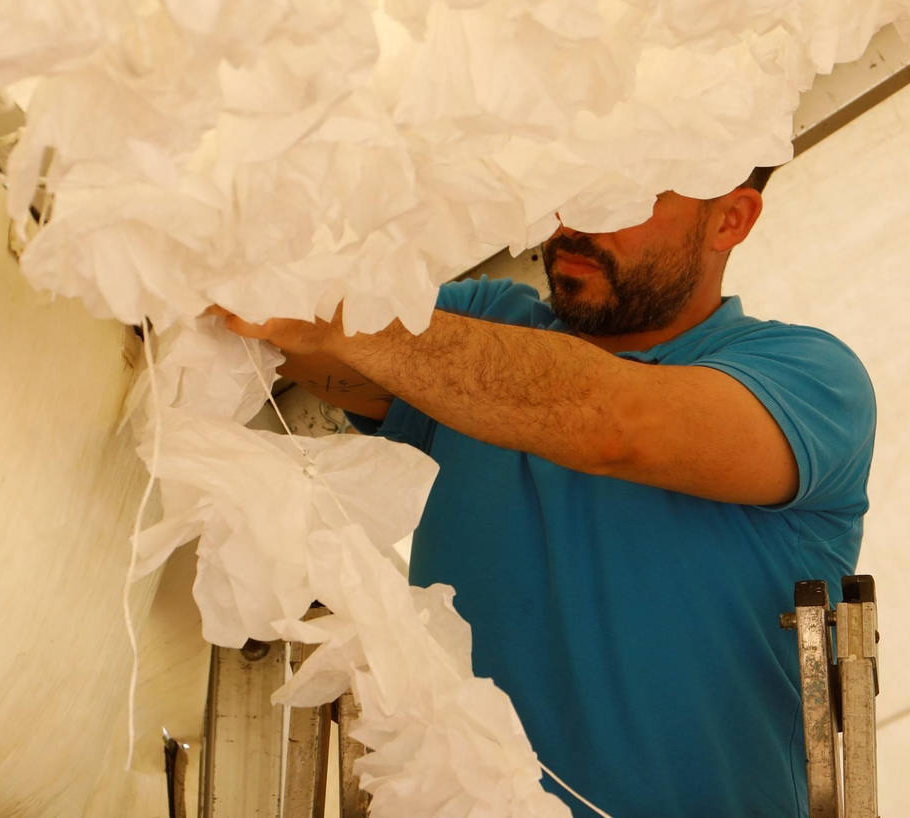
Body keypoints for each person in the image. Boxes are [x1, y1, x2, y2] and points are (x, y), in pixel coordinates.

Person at [216, 166, 876, 817]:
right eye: (572, 183)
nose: (573, 221)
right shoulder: (483, 322)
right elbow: (268, 328)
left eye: (625, 191)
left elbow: (614, 422)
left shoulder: (811, 377)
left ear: (730, 219)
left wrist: (339, 318)